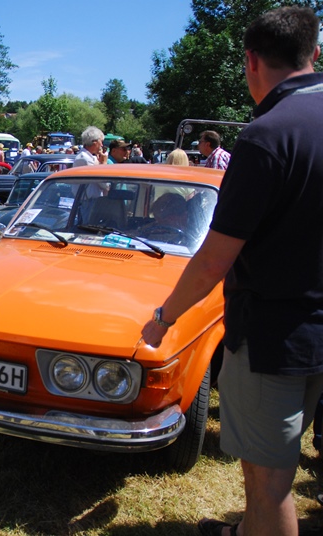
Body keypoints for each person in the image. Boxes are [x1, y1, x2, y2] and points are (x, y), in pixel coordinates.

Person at [140, 7, 323, 536]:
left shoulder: (267, 136)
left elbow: (214, 260)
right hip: (314, 326)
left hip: (275, 336)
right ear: (314, 54)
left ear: (250, 62)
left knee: (269, 486)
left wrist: (163, 316)